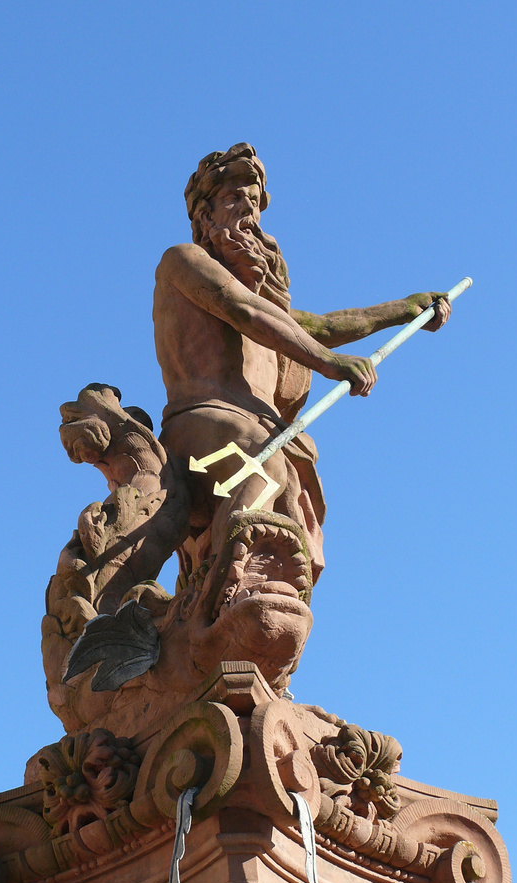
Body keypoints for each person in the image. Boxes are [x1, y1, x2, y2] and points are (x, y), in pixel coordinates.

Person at [153, 143, 450, 579]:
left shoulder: (270, 307)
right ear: (204, 217)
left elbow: (324, 327)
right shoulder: (184, 260)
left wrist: (405, 309)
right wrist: (330, 364)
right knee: (265, 466)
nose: (248, 213)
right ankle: (220, 587)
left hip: (258, 429)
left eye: (253, 202)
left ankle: (259, 598)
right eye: (235, 198)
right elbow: (241, 309)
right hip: (202, 422)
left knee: (294, 500)